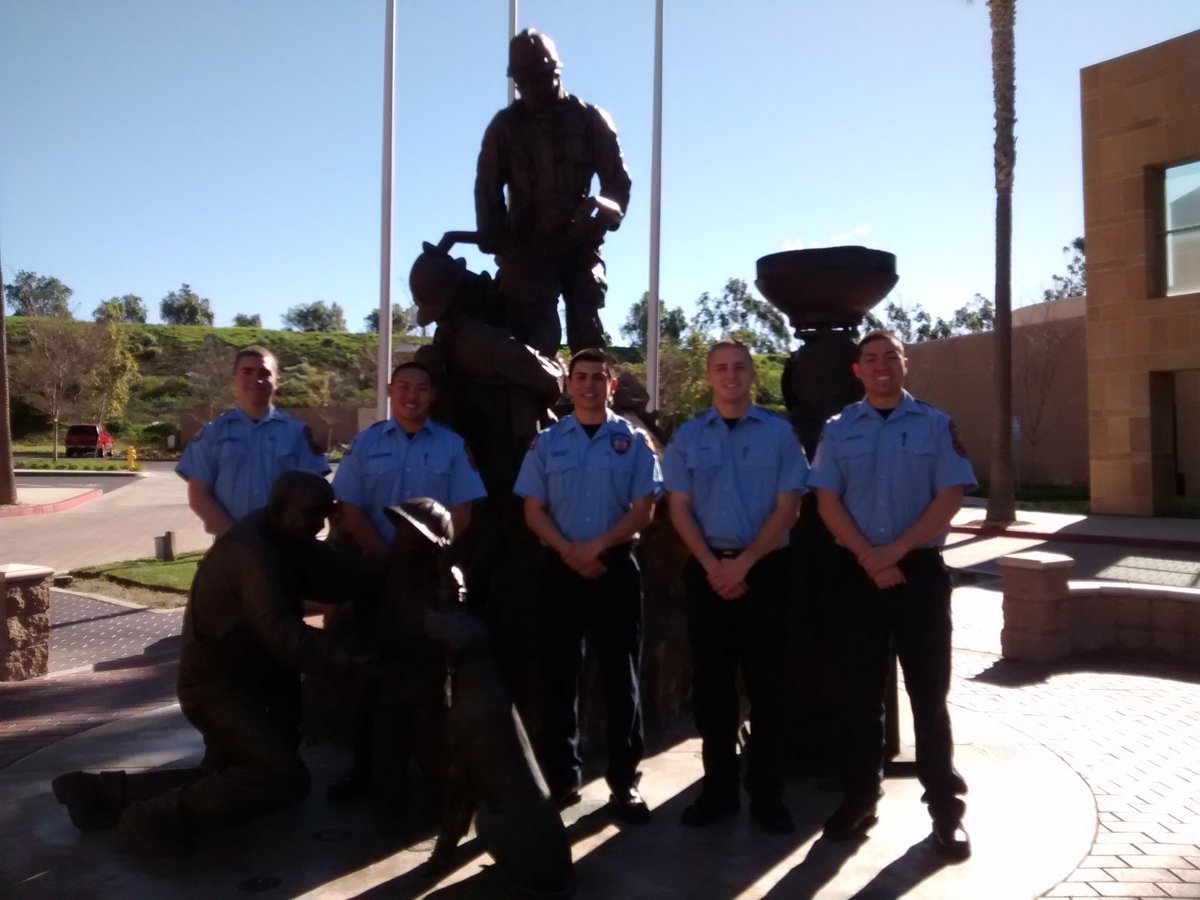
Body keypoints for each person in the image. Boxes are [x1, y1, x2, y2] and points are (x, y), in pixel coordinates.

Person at [50, 471, 386, 856]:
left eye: (326, 516)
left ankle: (95, 792)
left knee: (224, 779)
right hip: (218, 690)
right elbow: (284, 636)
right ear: (279, 509)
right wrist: (359, 659)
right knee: (280, 778)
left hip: (253, 683)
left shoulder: (289, 537)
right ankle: (151, 819)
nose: (320, 526)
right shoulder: (252, 552)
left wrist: (396, 570)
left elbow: (340, 575)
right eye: (312, 515)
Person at [807, 330, 975, 860]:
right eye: (870, 359)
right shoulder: (838, 430)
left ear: (906, 364)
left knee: (929, 697)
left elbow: (950, 495)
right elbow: (827, 501)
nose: (881, 366)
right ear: (858, 370)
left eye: (890, 358)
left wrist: (895, 551)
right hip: (857, 577)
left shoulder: (935, 423)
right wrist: (868, 556)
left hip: (919, 575)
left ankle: (945, 812)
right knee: (859, 697)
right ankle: (860, 798)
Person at [663, 338, 809, 835]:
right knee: (712, 694)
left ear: (751, 375)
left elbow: (789, 507)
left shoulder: (779, 435)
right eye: (721, 368)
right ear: (709, 378)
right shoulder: (687, 437)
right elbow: (678, 507)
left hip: (765, 574)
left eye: (739, 368)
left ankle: (768, 795)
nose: (730, 376)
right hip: (708, 575)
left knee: (771, 690)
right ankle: (719, 792)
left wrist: (743, 564)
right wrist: (712, 565)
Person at [513, 348, 660, 824]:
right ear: (569, 385)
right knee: (559, 677)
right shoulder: (548, 442)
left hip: (615, 568)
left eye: (599, 378)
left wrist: (594, 548)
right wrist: (570, 551)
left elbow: (644, 509)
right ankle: (562, 779)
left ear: (611, 387)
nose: (590, 385)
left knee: (623, 681)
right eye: (581, 377)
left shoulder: (634, 441)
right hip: (560, 569)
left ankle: (624, 784)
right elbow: (533, 510)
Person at [475, 28, 632, 355]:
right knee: (530, 343)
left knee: (586, 326)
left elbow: (617, 183)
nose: (533, 89)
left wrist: (604, 211)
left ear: (556, 72)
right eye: (524, 82)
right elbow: (487, 188)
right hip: (526, 250)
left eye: (541, 78)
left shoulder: (591, 120)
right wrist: (495, 236)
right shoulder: (504, 128)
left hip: (580, 246)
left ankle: (592, 397)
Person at [332, 362, 487, 552]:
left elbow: (463, 510)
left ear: (432, 396)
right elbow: (350, 506)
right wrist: (379, 553)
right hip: (373, 561)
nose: (412, 396)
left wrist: (437, 551)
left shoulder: (453, 445)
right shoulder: (364, 443)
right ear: (390, 391)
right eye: (404, 387)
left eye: (421, 389)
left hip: (433, 562)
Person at [176, 345, 329, 536]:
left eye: (265, 373)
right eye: (247, 372)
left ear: (277, 381)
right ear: (233, 379)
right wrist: (238, 538)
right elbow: (199, 496)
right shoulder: (212, 434)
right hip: (231, 548)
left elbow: (312, 492)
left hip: (287, 548)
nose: (256, 379)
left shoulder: (298, 433)